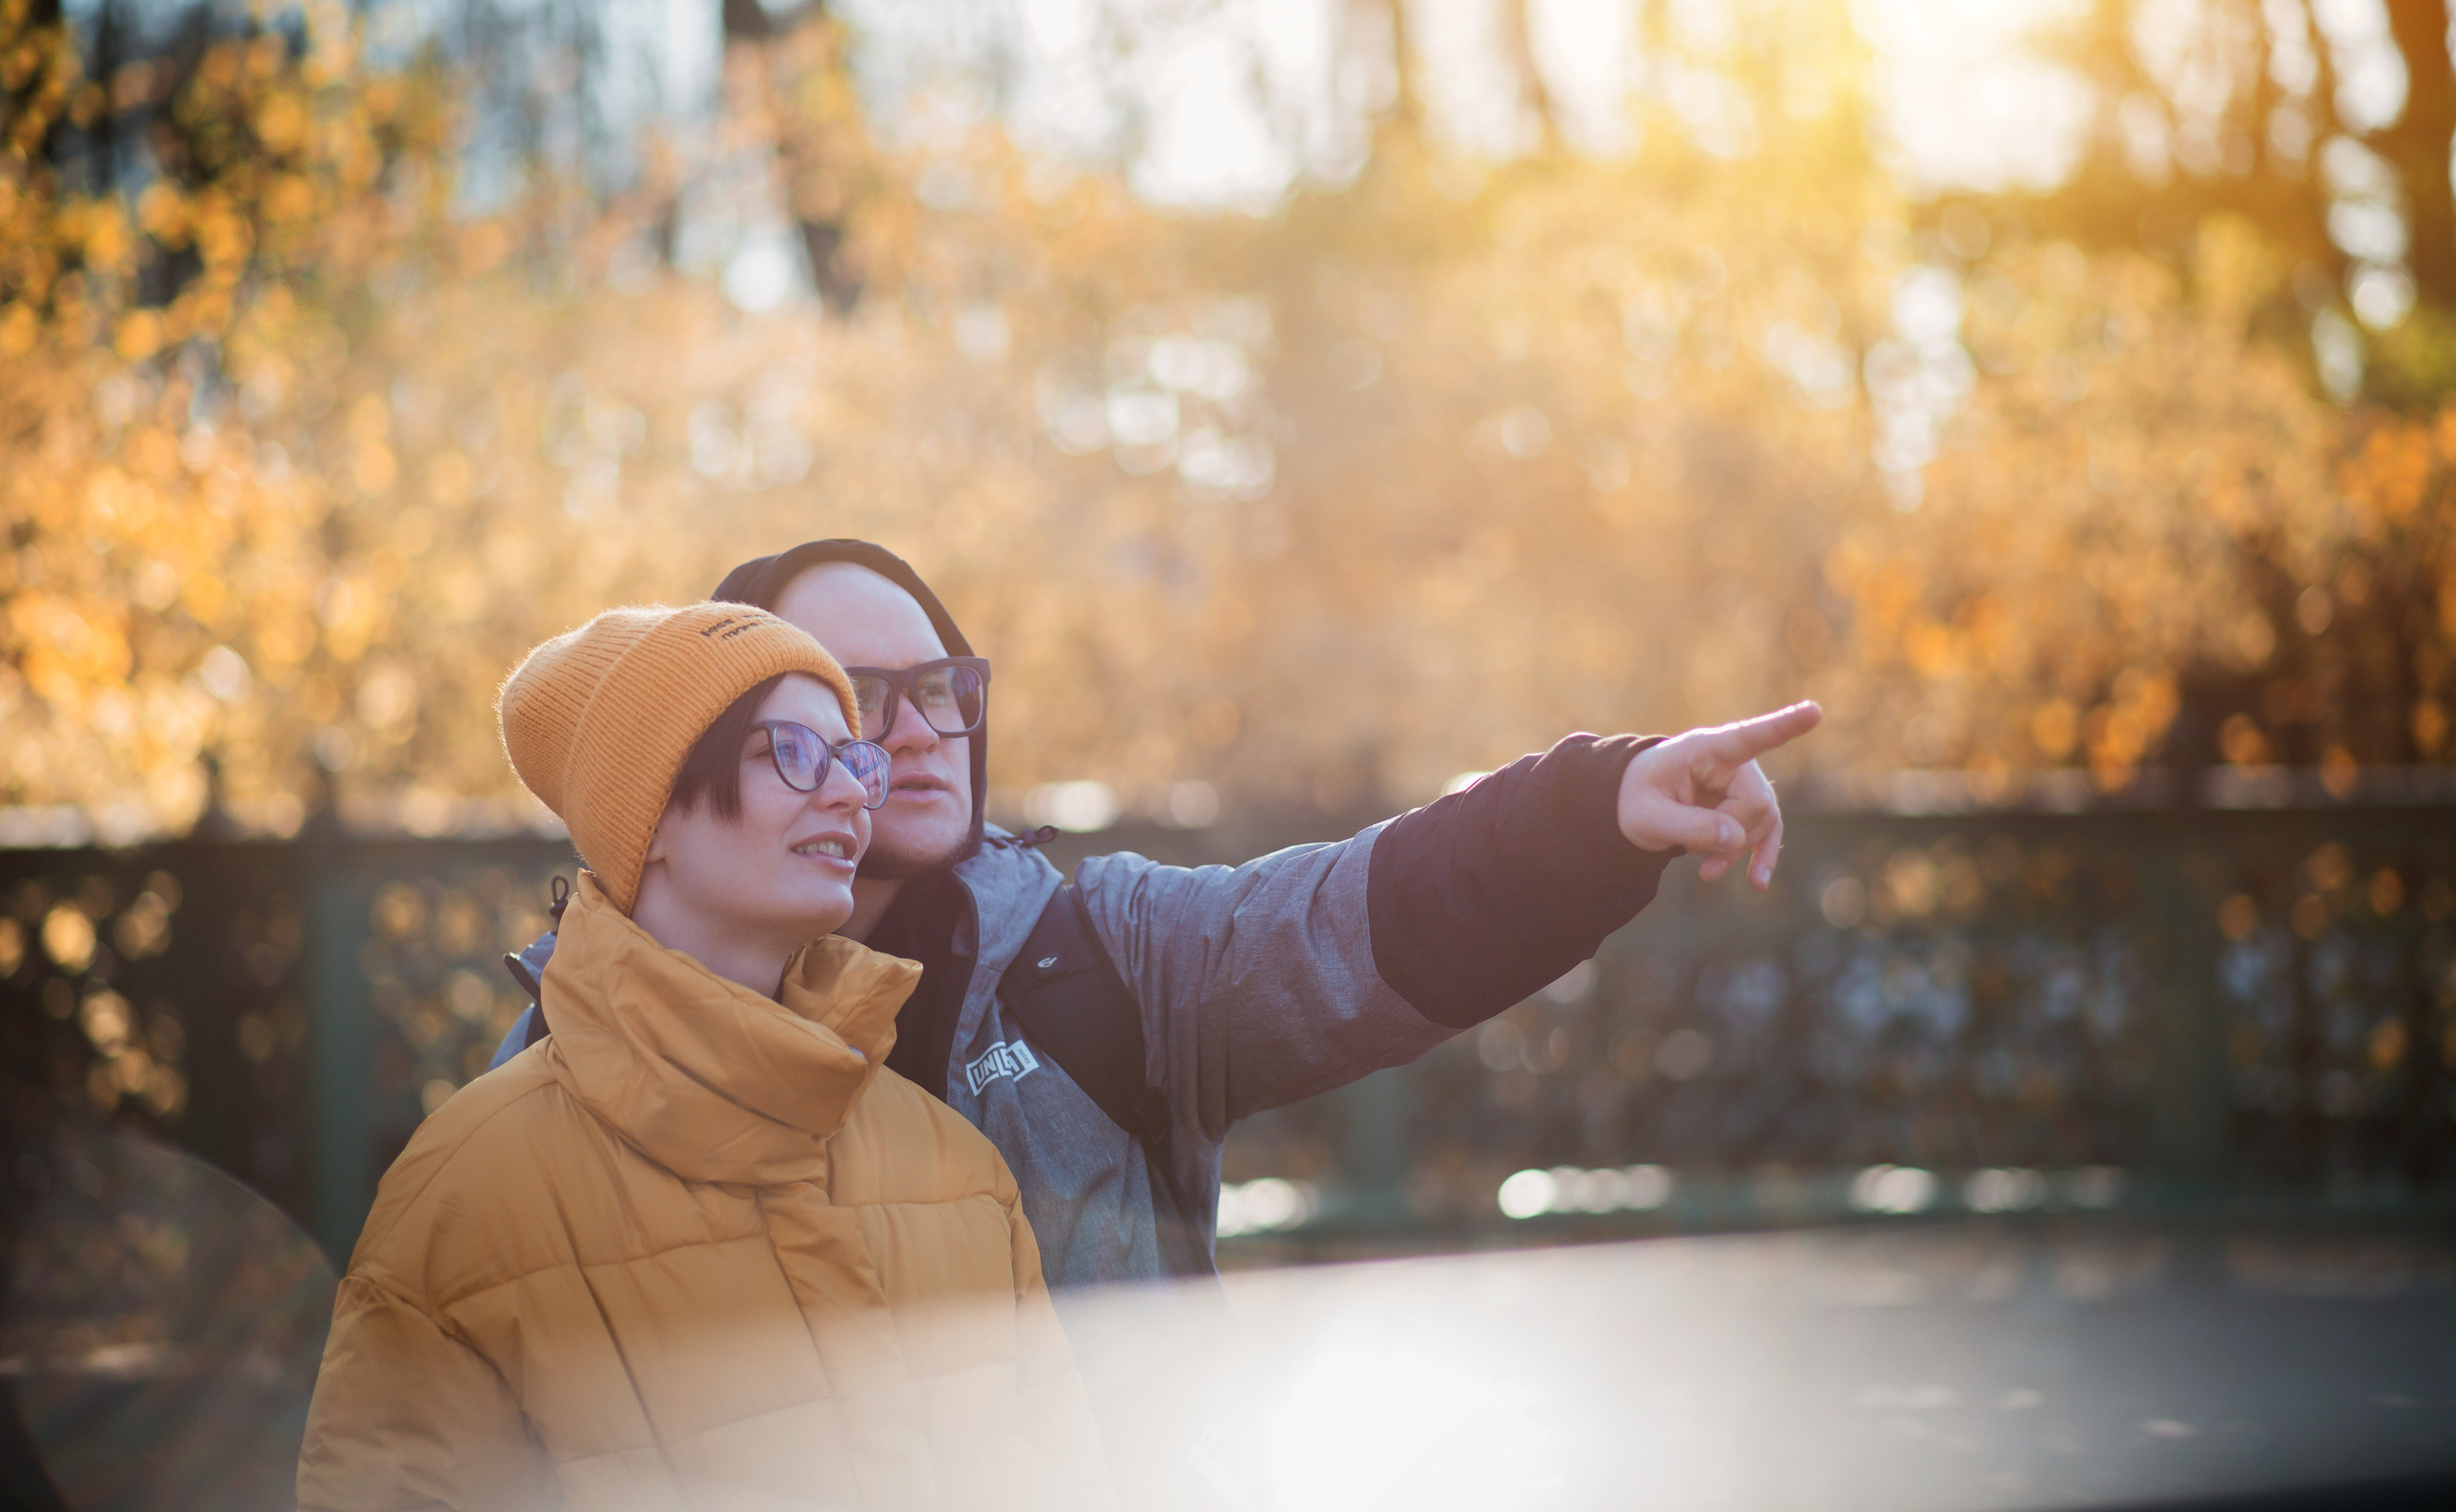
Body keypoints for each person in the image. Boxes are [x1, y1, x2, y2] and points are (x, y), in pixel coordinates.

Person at [494, 541, 1820, 1293]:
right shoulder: (582, 1061)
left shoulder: (1100, 956)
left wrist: (1600, 804)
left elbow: (1358, 912)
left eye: (941, 680)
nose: (915, 730)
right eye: (852, 697)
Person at [299, 602, 1113, 1512]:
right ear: (649, 817)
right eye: (791, 754)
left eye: (853, 759)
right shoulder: (464, 1195)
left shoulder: (956, 1169)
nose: (850, 793)